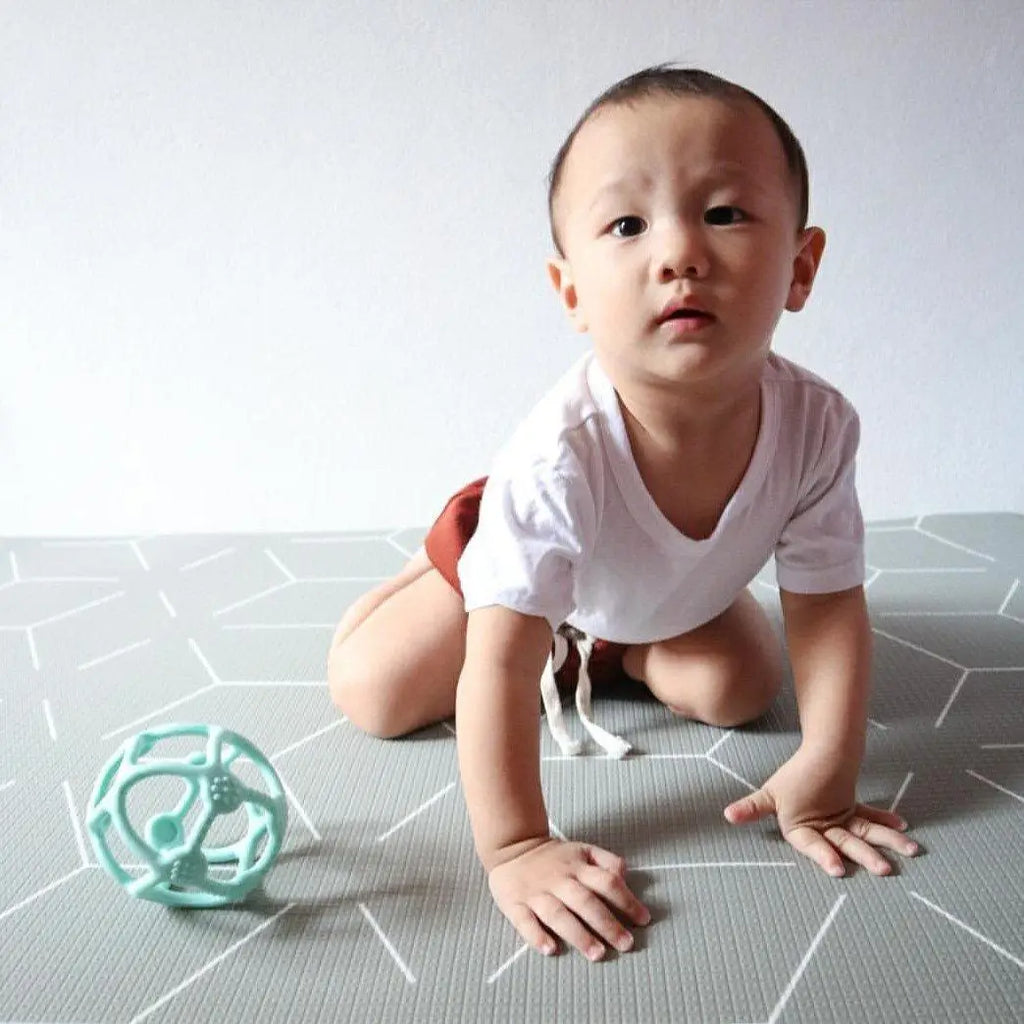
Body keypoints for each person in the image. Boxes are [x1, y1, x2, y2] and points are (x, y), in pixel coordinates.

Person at [327, 64, 920, 962]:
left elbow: (829, 603)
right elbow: (499, 663)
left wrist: (830, 768)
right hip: (516, 570)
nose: (677, 252)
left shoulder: (818, 425)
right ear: (571, 293)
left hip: (649, 590)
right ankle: (438, 562)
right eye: (628, 225)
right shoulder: (557, 455)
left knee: (743, 690)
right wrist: (517, 845)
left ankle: (614, 643)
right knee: (373, 691)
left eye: (723, 212)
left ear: (801, 267)